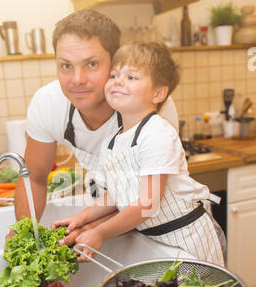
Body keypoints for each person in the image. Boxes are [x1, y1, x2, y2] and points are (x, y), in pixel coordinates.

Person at [12, 9, 179, 245]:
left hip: (170, 231)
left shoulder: (149, 105)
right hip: (110, 218)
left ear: (114, 63)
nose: (77, 79)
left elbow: (149, 197)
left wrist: (92, 228)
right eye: (66, 65)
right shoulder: (48, 103)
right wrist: (24, 234)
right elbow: (35, 178)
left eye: (91, 64)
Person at [52, 42, 225, 267]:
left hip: (188, 240)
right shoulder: (113, 141)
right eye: (114, 75)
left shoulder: (157, 133)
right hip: (157, 241)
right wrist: (82, 218)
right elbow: (119, 195)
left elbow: (147, 203)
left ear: (158, 93)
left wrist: (101, 233)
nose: (118, 81)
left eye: (132, 77)